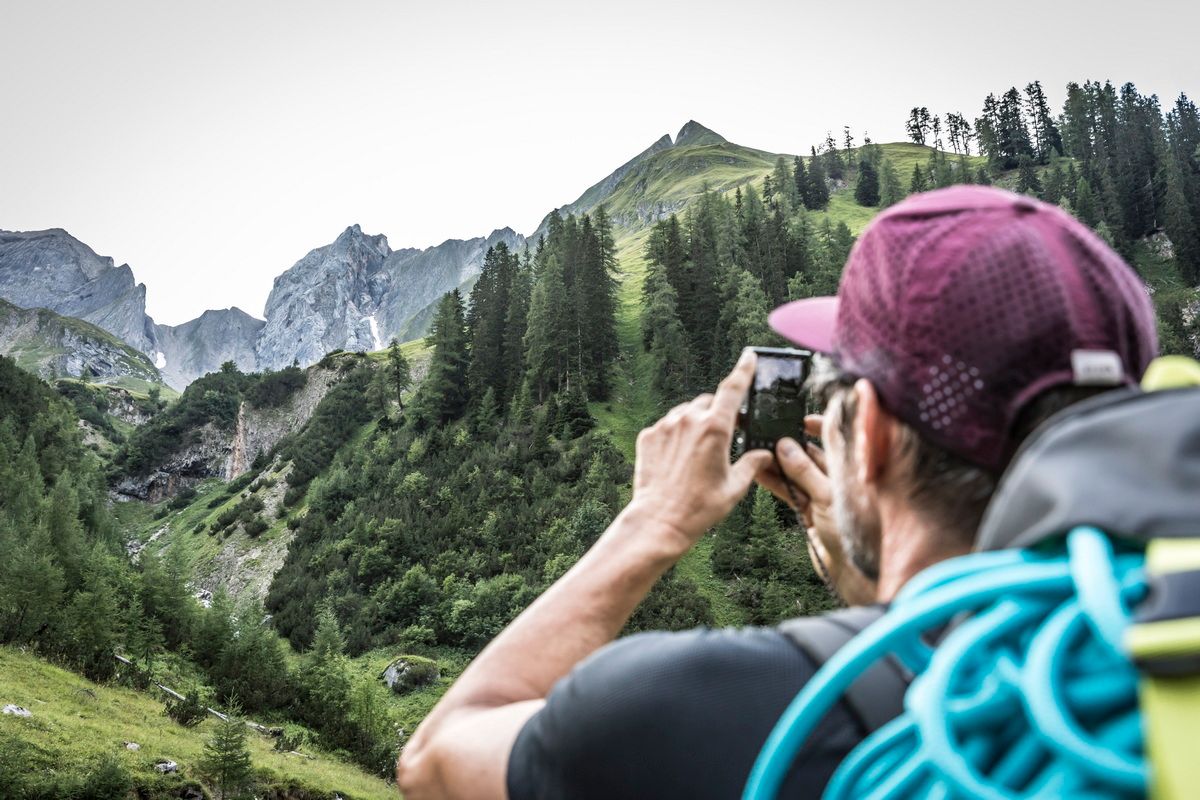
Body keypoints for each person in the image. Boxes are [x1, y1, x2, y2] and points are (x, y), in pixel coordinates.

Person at [395, 186, 1158, 799]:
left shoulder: (710, 707)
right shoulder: (1160, 657)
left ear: (871, 434)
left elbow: (435, 761)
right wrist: (881, 586)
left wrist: (653, 520)